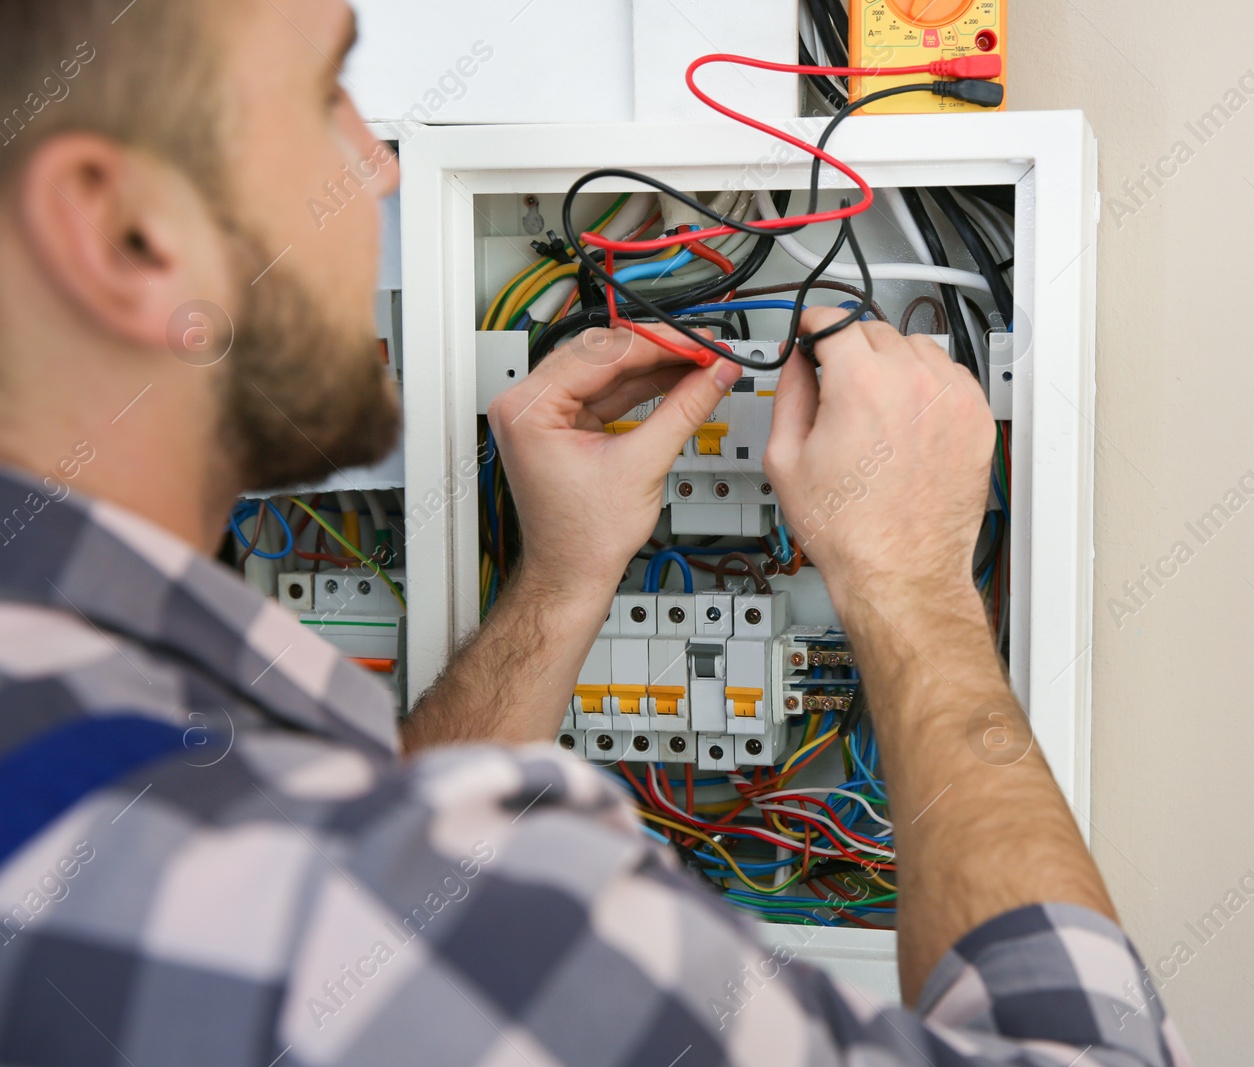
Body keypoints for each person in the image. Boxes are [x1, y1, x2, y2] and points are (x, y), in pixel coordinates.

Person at [0, 1, 1188, 1064]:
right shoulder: (338, 905)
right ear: (126, 233)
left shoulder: (119, 769)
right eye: (326, 97)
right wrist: (912, 584)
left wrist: (564, 576)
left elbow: (381, 878)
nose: (380, 168)